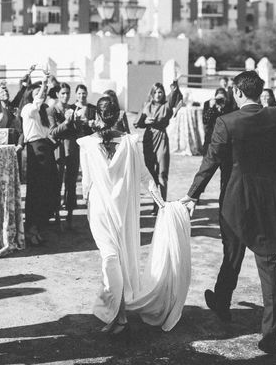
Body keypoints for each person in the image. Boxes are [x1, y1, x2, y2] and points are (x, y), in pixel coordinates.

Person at [181, 71, 276, 355]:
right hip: (269, 203)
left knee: (232, 255)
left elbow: (210, 162)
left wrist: (192, 195)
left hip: (235, 202)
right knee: (269, 267)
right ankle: (269, 335)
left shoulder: (226, 122)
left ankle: (222, 302)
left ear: (238, 93)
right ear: (259, 91)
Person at [78, 96, 191, 335]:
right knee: (113, 259)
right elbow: (145, 176)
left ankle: (118, 316)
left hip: (103, 210)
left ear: (97, 116)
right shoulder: (120, 143)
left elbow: (86, 185)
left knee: (111, 260)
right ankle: (118, 316)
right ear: (118, 115)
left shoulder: (97, 143)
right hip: (117, 211)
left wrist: (161, 203)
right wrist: (161, 202)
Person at [20, 76, 61, 245]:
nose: (41, 95)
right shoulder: (27, 109)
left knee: (46, 189)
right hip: (35, 150)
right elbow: (37, 102)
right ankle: (31, 229)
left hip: (45, 148)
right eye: (37, 93)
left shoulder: (41, 112)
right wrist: (44, 85)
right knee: (35, 191)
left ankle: (39, 226)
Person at [134, 82, 173, 213]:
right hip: (149, 139)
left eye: (160, 92)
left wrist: (174, 86)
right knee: (151, 174)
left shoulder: (166, 106)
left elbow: (175, 98)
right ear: (152, 93)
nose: (158, 95)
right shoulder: (146, 106)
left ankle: (163, 205)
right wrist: (145, 122)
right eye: (155, 92)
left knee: (162, 173)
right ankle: (155, 203)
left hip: (161, 138)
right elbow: (137, 123)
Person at [48, 83, 79, 227]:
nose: (66, 96)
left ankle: (70, 216)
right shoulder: (52, 110)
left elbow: (78, 130)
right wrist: (66, 123)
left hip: (72, 147)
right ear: (57, 95)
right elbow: (52, 131)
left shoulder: (73, 109)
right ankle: (57, 217)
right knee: (57, 183)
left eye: (67, 93)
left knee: (71, 183)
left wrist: (77, 122)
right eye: (63, 93)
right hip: (59, 148)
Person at [202, 87, 232, 154]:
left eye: (222, 99)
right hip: (211, 135)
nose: (220, 100)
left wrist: (222, 109)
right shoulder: (208, 104)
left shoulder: (229, 105)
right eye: (218, 99)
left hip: (224, 137)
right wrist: (211, 107)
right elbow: (205, 120)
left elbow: (229, 122)